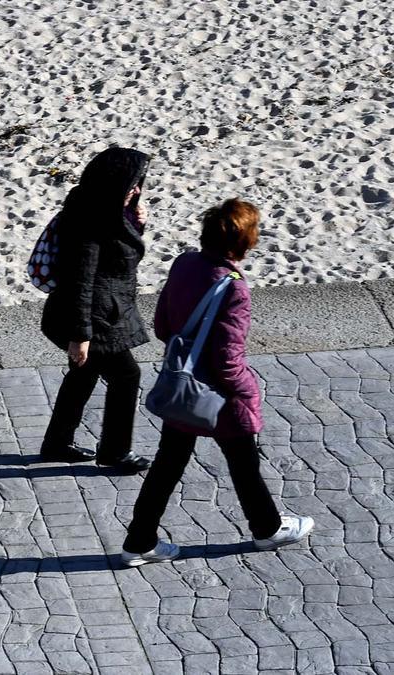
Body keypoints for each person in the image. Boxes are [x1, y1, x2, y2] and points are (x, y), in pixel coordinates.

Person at [120, 198, 314, 566]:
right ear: (243, 241)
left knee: (168, 463)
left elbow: (163, 326)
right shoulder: (233, 287)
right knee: (243, 460)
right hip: (219, 395)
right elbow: (227, 360)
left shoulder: (184, 264)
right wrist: (247, 389)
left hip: (184, 386)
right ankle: (267, 529)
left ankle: (139, 540)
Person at [39, 147, 153, 472]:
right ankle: (115, 452)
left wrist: (135, 222)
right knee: (127, 375)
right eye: (132, 185)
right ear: (114, 184)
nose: (137, 190)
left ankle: (57, 443)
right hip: (96, 317)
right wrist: (80, 335)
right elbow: (81, 281)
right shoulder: (91, 221)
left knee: (83, 374)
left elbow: (122, 255)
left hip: (104, 311)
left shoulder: (105, 209)